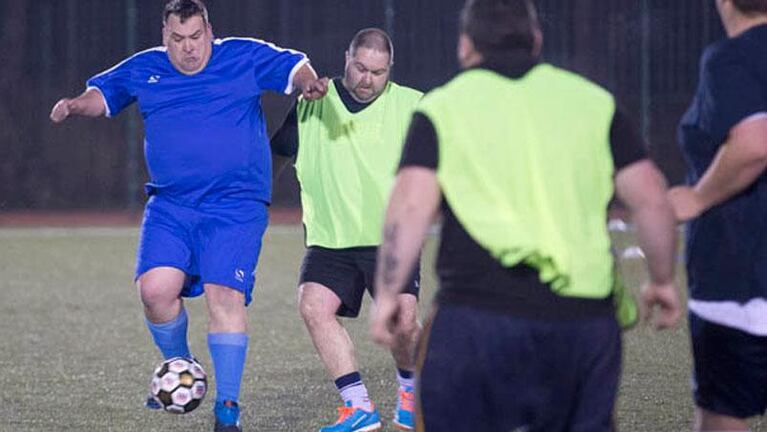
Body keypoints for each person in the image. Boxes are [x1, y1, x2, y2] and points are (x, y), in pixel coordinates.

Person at [369, 0, 682, 430]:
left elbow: (409, 205)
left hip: (477, 316)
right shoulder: (591, 101)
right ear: (536, 40)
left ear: (465, 47)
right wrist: (662, 281)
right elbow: (652, 199)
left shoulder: (444, 107)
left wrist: (387, 295)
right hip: (582, 324)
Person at [49, 1, 327, 431]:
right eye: (178, 40)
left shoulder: (242, 56)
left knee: (224, 296)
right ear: (165, 37)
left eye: (196, 37)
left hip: (236, 204)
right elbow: (103, 95)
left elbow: (294, 67)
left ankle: (227, 411)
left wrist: (308, 82)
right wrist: (73, 104)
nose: (188, 49)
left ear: (209, 32)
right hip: (171, 205)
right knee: (156, 291)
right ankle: (182, 366)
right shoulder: (147, 68)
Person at [270, 28, 423, 432]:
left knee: (403, 322)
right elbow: (277, 155)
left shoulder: (412, 106)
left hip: (392, 238)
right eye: (360, 68)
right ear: (346, 59)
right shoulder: (311, 105)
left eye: (378, 71)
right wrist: (254, 199)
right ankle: (359, 409)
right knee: (313, 307)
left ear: (390, 69)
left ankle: (410, 396)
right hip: (331, 240)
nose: (367, 79)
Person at [668, 1, 767, 430]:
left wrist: (697, 197)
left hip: (742, 278)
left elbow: (754, 143)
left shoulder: (734, 57)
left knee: (722, 415)